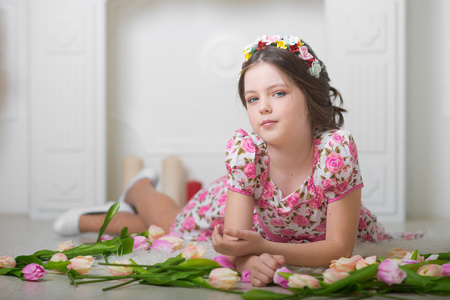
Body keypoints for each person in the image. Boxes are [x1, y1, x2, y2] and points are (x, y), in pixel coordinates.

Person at [54, 35, 386, 287]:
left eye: (278, 93)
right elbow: (237, 244)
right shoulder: (247, 154)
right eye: (252, 99)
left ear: (311, 96)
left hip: (276, 233)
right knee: (170, 228)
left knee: (154, 230)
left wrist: (261, 252)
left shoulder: (335, 151)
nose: (263, 107)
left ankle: (113, 206)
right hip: (242, 210)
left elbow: (338, 247)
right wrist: (248, 257)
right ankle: (137, 189)